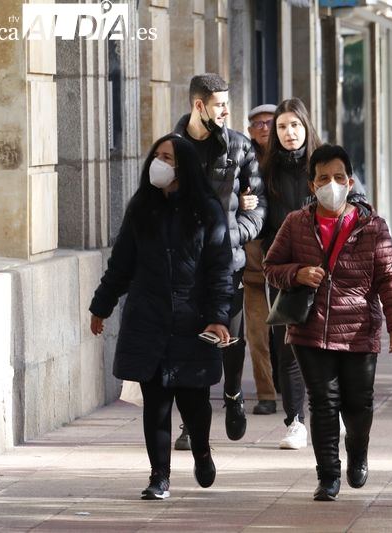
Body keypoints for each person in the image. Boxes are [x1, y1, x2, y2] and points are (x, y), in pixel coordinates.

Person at [89, 134, 235, 499]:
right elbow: (121, 263)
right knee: (155, 403)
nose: (160, 162)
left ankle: (201, 450)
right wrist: (101, 305)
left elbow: (220, 269)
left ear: (183, 165)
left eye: (168, 157)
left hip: (193, 320)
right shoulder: (142, 207)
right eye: (157, 156)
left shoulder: (206, 210)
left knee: (194, 402)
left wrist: (218, 316)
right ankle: (159, 477)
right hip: (148, 319)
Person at [263, 144, 392, 501]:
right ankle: (327, 475)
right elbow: (271, 267)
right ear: (312, 186)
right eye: (324, 178)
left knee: (359, 404)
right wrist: (298, 273)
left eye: (339, 177)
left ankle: (357, 453)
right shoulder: (296, 223)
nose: (332, 184)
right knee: (324, 403)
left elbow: (389, 276)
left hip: (359, 328)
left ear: (351, 181)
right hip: (309, 329)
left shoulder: (371, 225)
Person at [172, 73, 267, 448]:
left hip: (228, 263)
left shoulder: (241, 148)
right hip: (184, 265)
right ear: (199, 106)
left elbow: (257, 211)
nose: (227, 110)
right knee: (188, 342)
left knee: (230, 338)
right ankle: (190, 425)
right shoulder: (172, 148)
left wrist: (229, 238)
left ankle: (232, 395)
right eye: (220, 104)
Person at [259, 97, 323, 449]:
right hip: (283, 271)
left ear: (305, 127)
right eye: (282, 127)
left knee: (327, 343)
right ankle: (295, 421)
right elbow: (260, 221)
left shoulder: (322, 166)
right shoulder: (265, 172)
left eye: (294, 125)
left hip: (323, 269)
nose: (288, 132)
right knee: (289, 346)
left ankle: (330, 409)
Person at [242, 103, 279, 416]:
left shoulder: (297, 157)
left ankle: (291, 386)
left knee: (288, 328)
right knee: (257, 330)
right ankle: (266, 392)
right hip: (253, 256)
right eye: (257, 124)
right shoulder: (243, 159)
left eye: (270, 122)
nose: (264, 128)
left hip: (289, 257)